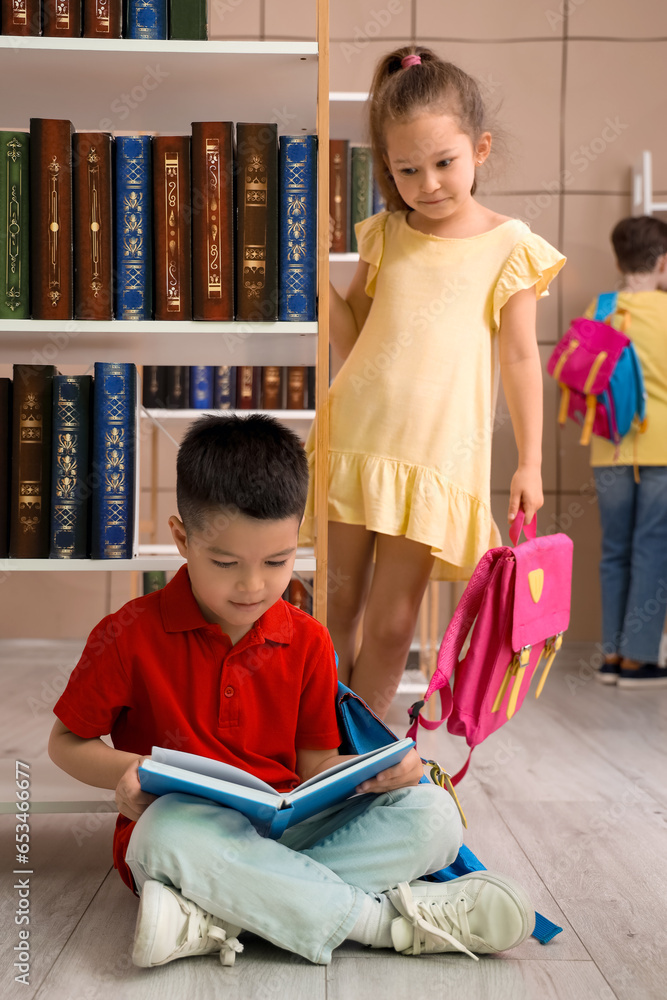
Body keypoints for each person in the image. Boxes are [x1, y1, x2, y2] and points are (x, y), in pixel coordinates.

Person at [47, 414, 536, 968]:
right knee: (161, 833)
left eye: (277, 562)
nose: (252, 585)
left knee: (434, 815)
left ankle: (215, 917)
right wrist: (125, 775)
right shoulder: (129, 633)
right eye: (226, 563)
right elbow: (65, 741)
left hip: (288, 832)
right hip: (185, 837)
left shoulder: (306, 639)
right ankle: (389, 926)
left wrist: (379, 773)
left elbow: (313, 765)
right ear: (182, 538)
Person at [300, 46, 566, 718]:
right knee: (332, 609)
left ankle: (356, 754)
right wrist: (318, 283)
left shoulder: (510, 244)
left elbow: (517, 358)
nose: (429, 184)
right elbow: (356, 336)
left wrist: (530, 461)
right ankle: (320, 756)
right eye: (407, 169)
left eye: (444, 163)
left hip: (433, 460)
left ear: (480, 147)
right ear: (387, 168)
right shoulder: (386, 235)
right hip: (355, 439)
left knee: (393, 626)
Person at [588, 216, 667, 688]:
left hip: (609, 449)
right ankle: (639, 660)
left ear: (619, 260)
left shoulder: (599, 310)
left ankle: (611, 657)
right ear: (662, 261)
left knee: (614, 549)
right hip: (661, 448)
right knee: (651, 548)